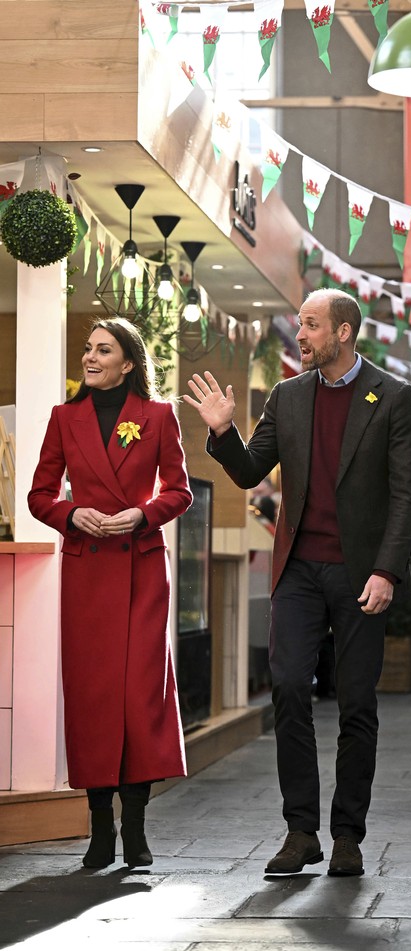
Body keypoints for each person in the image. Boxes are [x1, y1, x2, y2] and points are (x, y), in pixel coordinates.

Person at [184, 288, 411, 877]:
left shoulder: (394, 399)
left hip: (361, 573)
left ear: (344, 333)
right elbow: (247, 472)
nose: (302, 335)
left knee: (356, 704)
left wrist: (388, 569)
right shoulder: (288, 397)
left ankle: (348, 835)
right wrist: (222, 433)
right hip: (298, 570)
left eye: (311, 325)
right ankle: (301, 831)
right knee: (290, 689)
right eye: (301, 323)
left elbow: (405, 495)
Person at [28, 317, 192, 870]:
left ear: (129, 362)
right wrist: (74, 514)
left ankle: (138, 830)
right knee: (95, 697)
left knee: (140, 696)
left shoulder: (158, 416)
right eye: (87, 349)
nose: (90, 357)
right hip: (87, 573)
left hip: (142, 570)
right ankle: (101, 829)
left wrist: (142, 515)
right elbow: (39, 494)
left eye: (104, 350)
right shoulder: (63, 417)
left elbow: (179, 490)